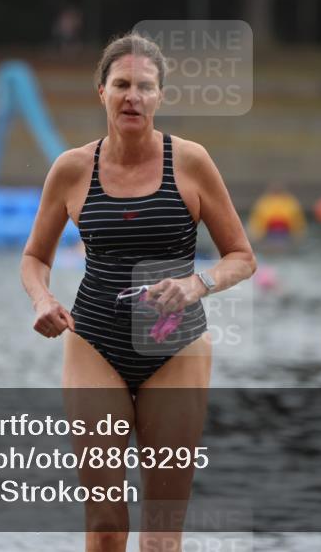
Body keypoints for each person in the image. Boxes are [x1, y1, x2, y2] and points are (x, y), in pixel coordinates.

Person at [20, 32, 257, 551]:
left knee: (160, 535)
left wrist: (196, 284)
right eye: (122, 84)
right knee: (105, 526)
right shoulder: (72, 169)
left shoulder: (191, 162)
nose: (133, 96)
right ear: (101, 92)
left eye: (145, 86)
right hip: (95, 342)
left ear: (160, 96)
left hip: (176, 347)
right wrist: (42, 299)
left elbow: (242, 257)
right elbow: (35, 258)